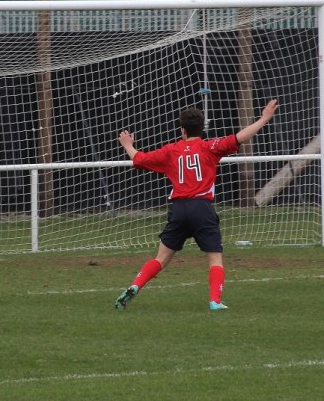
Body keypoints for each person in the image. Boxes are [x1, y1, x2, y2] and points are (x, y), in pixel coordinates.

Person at [114, 99, 279, 311]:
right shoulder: (210, 147)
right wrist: (264, 118)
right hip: (201, 208)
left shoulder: (171, 150)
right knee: (215, 259)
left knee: (161, 258)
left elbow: (139, 159)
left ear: (182, 130)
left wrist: (128, 145)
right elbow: (242, 137)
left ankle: (135, 286)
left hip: (179, 209)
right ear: (202, 129)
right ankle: (215, 301)